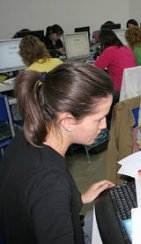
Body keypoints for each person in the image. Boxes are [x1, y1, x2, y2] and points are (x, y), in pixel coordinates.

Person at [0, 62, 115, 243]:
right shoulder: (50, 181)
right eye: (99, 119)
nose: (104, 126)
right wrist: (60, 196)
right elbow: (47, 192)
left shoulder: (28, 138)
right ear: (67, 121)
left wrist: (77, 199)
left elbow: (34, 206)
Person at [94, 29, 136, 103]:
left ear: (103, 42)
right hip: (130, 90)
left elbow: (95, 69)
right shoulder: (126, 48)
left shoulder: (110, 50)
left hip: (118, 91)